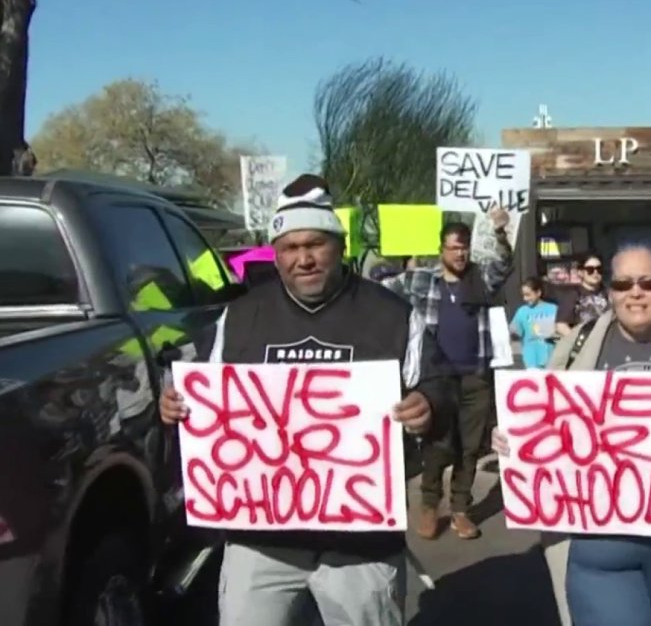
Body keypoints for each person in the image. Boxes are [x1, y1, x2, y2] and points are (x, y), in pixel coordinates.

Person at [157, 174, 450, 626]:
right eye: (290, 248)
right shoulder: (241, 316)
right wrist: (174, 404)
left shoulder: (391, 315)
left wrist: (427, 405)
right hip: (260, 539)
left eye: (315, 244)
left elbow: (440, 385)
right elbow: (196, 390)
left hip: (361, 542)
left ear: (339, 246)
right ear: (275, 255)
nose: (304, 258)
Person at [494, 242, 651, 626]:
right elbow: (542, 421)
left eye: (648, 283)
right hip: (595, 549)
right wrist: (513, 436)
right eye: (623, 284)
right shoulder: (577, 344)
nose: (636, 293)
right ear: (610, 291)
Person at [384, 209, 513, 540]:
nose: (460, 254)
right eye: (454, 248)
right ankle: (429, 505)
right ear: (441, 249)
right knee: (437, 447)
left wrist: (500, 232)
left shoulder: (480, 280)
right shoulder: (422, 280)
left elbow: (503, 265)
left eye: (464, 247)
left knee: (469, 449)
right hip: (437, 380)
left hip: (475, 378)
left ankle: (460, 510)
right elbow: (380, 290)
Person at [555, 251, 609, 337]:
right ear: (580, 272)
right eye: (590, 270)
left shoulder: (609, 293)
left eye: (599, 269)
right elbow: (561, 325)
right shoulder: (572, 295)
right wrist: (578, 341)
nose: (595, 273)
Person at [509, 276, 558, 369]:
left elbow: (560, 332)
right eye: (523, 295)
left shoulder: (553, 309)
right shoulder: (522, 311)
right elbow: (515, 332)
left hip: (550, 356)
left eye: (528, 295)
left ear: (538, 293)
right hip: (530, 358)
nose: (525, 298)